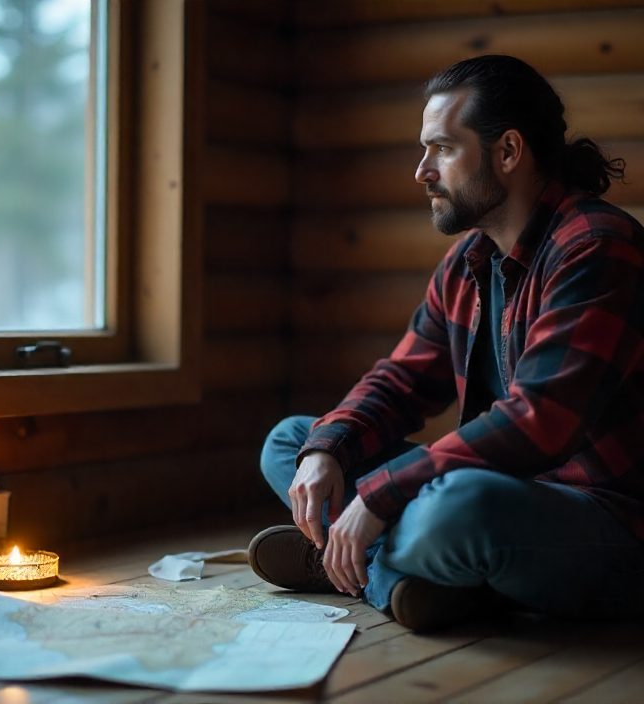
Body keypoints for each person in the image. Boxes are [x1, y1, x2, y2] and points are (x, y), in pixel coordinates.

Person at [248, 54, 644, 632]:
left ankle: (367, 565)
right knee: (293, 443)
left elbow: (540, 421)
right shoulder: (467, 262)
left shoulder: (596, 247)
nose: (421, 171)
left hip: (604, 522)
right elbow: (402, 381)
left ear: (508, 152)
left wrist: (379, 497)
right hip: (498, 494)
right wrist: (327, 450)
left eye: (442, 148)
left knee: (457, 508)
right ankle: (415, 578)